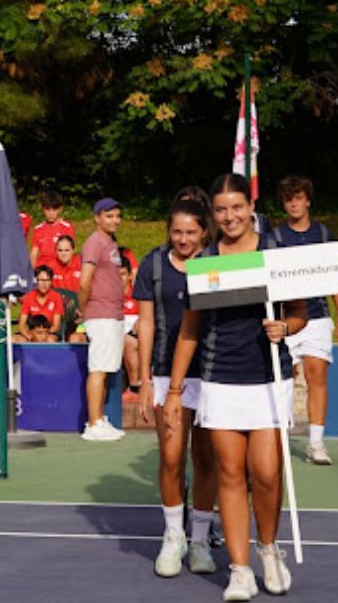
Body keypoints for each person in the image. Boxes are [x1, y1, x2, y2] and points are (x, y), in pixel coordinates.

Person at [164, 173, 307, 600]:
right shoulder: (206, 261)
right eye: (221, 209)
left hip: (268, 377)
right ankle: (240, 570)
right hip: (220, 379)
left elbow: (299, 312)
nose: (229, 216)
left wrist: (285, 326)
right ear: (214, 213)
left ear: (251, 206)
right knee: (229, 473)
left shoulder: (275, 251)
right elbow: (190, 330)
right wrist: (174, 392)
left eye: (237, 207)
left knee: (265, 473)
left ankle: (268, 550)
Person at [134, 198, 218, 578]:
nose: (183, 239)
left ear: (204, 232)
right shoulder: (152, 265)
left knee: (205, 459)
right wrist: (145, 380)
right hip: (167, 375)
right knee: (171, 458)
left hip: (215, 373)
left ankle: (199, 538)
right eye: (176, 231)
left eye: (191, 232)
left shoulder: (219, 261)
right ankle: (173, 536)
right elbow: (146, 324)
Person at [272, 175, 338, 466]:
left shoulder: (324, 234)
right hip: (285, 319)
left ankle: (316, 443)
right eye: (288, 199)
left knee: (317, 378)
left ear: (308, 201)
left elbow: (335, 279)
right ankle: (278, 438)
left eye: (298, 198)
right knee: (283, 380)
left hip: (317, 317)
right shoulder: (275, 238)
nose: (294, 203)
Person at [77, 197, 127, 441]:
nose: (115, 220)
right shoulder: (95, 242)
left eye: (118, 216)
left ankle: (100, 418)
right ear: (97, 218)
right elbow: (85, 281)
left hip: (114, 314)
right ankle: (93, 423)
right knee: (98, 369)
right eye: (109, 216)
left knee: (106, 369)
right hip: (101, 314)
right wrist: (83, 310)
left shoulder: (110, 242)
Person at [16, 265, 64, 339]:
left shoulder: (56, 297)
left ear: (51, 282)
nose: (44, 284)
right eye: (41, 280)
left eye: (47, 280)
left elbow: (56, 326)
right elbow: (21, 324)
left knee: (50, 340)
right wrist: (28, 335)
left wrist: (42, 334)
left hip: (49, 332)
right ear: (36, 281)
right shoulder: (29, 296)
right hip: (32, 332)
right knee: (14, 339)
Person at [30, 190, 75, 267]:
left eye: (54, 210)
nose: (51, 213)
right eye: (47, 209)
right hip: (43, 269)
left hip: (60, 267)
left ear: (60, 209)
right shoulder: (38, 229)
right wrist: (32, 274)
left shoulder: (67, 227)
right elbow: (34, 253)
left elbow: (69, 251)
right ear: (43, 209)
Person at [120, 251, 142, 401]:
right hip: (114, 334)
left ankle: (135, 388)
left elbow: (146, 317)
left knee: (128, 341)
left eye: (122, 274)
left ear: (129, 275)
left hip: (136, 335)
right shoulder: (107, 297)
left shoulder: (138, 294)